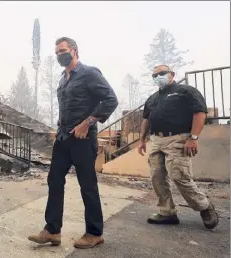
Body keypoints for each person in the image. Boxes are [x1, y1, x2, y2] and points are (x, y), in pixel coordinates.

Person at [28, 37, 118, 249]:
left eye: (63, 51)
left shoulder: (89, 73)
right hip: (63, 138)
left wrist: (87, 123)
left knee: (87, 185)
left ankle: (95, 233)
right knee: (55, 181)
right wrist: (58, 129)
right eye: (57, 52)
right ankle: (52, 230)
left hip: (83, 139)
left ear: (75, 51)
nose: (60, 55)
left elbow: (111, 100)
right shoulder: (63, 79)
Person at [137, 64, 219, 229]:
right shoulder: (152, 98)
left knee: (179, 176)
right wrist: (141, 140)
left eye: (161, 73)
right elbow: (146, 119)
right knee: (157, 177)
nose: (157, 77)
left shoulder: (186, 91)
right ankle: (167, 212)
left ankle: (204, 206)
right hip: (156, 140)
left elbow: (199, 112)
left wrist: (193, 138)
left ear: (172, 74)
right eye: (154, 76)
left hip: (178, 139)